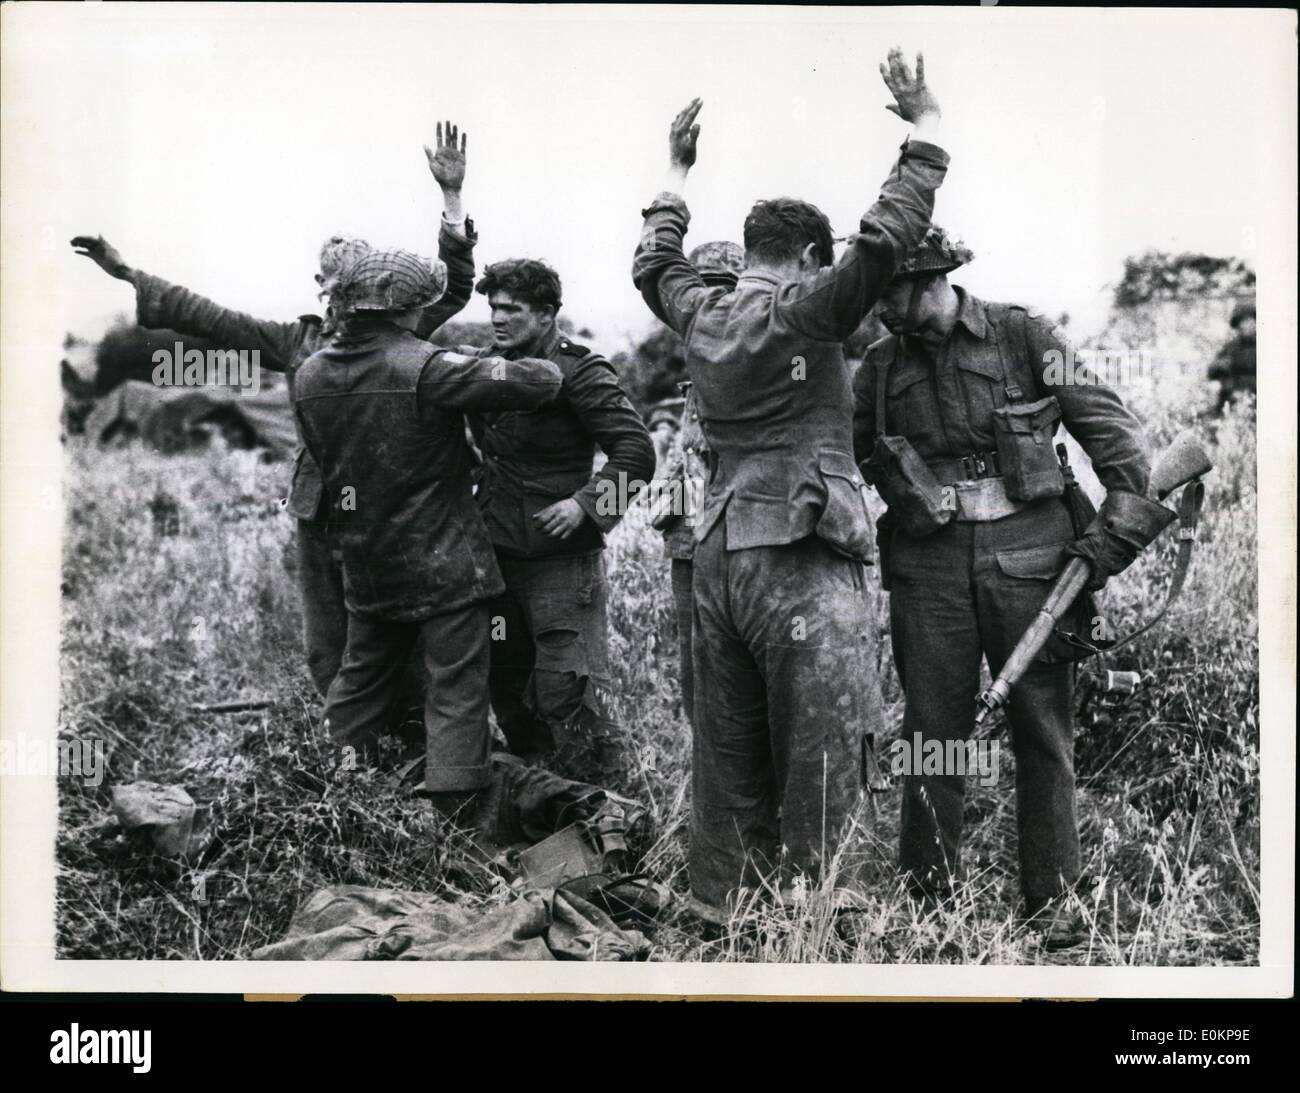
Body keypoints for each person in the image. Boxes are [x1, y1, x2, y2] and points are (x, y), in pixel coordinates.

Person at [632, 49, 950, 924]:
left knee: (727, 747)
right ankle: (829, 916)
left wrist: (676, 169)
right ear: (811, 255)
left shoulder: (704, 308)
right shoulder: (807, 308)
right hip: (802, 553)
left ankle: (722, 906)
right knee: (827, 742)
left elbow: (654, 261)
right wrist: (924, 133)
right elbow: (885, 241)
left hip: (722, 553)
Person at [70, 121, 477, 697]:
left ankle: (406, 736)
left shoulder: (405, 328)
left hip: (398, 507)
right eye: (332, 283)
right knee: (328, 638)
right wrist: (127, 272)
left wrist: (452, 198)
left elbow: (454, 284)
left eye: (352, 284)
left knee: (400, 628)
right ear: (320, 285)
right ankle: (351, 746)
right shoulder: (297, 342)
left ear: (375, 290)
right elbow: (208, 317)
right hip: (320, 508)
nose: (339, 295)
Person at [851, 227, 1160, 948]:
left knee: (1042, 734)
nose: (878, 308)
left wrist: (1109, 541)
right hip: (929, 571)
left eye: (888, 290)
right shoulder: (876, 367)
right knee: (932, 736)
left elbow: (1117, 441)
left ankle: (1053, 902)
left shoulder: (1024, 336)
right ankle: (930, 905)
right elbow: (864, 455)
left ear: (929, 278)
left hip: (1033, 563)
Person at [293, 249, 562, 816]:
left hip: (366, 566)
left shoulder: (310, 374)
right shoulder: (428, 366)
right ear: (409, 309)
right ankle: (454, 816)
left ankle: (328, 796)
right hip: (444, 564)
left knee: (358, 686)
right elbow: (541, 381)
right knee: (457, 691)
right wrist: (474, 356)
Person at [460, 260, 655, 783]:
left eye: (512, 309)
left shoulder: (581, 370)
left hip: (559, 565)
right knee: (508, 686)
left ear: (547, 315)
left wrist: (586, 506)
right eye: (494, 307)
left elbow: (636, 452)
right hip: (498, 557)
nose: (498, 318)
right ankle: (545, 802)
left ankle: (609, 811)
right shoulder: (487, 367)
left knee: (569, 690)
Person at [651, 241, 743, 727]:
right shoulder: (693, 372)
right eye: (700, 292)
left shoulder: (762, 360)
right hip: (690, 536)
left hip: (744, 537)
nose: (711, 305)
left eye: (724, 291)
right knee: (694, 655)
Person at [1207, 301, 1256, 412]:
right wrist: (1221, 365)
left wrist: (1244, 391)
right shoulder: (1231, 346)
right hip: (1230, 398)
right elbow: (1212, 371)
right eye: (1240, 323)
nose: (1244, 326)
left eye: (1248, 321)